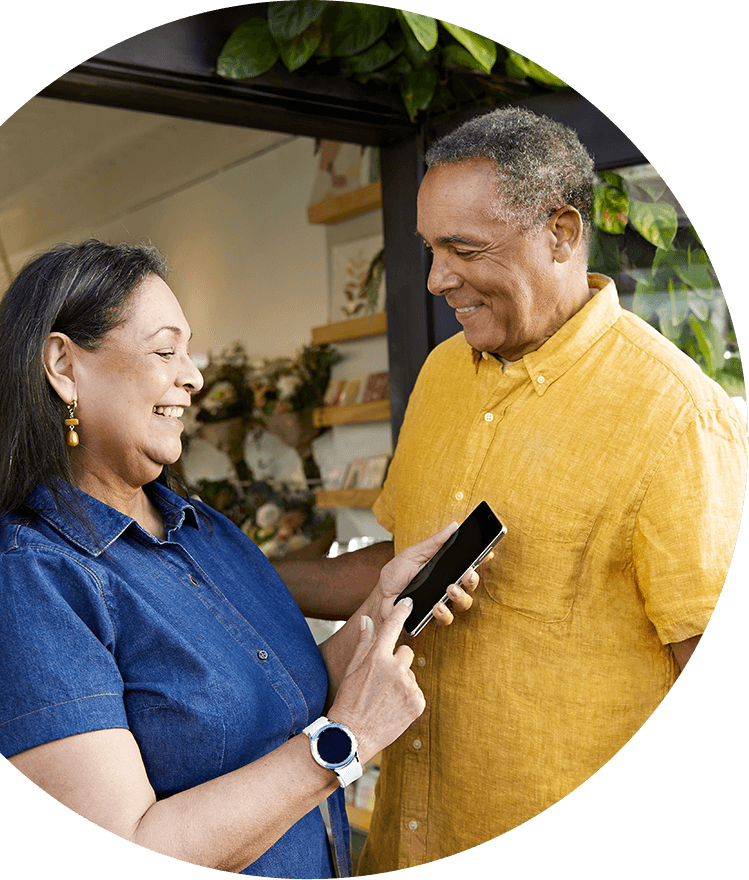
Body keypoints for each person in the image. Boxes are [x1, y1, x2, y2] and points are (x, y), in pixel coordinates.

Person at [277, 107, 746, 868]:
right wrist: (243, 574)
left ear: (563, 232)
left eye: (463, 249)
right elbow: (401, 563)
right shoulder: (440, 375)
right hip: (405, 839)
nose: (436, 280)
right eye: (431, 249)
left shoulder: (675, 413)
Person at [0, 239, 480, 877]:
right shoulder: (22, 588)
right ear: (62, 364)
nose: (192, 375)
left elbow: (285, 693)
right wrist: (344, 744)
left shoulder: (201, 530)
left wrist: (384, 609)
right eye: (165, 350)